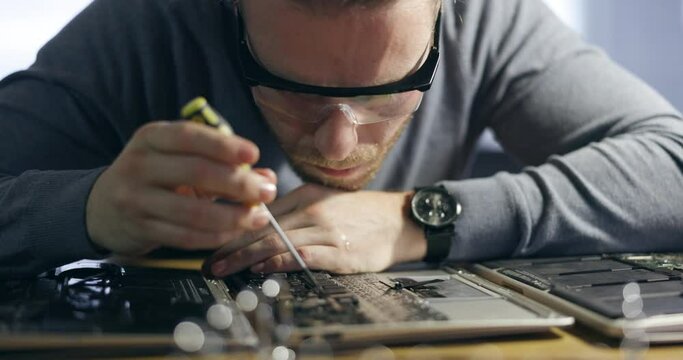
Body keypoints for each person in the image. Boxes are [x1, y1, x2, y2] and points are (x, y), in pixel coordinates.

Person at [1, 0, 681, 279]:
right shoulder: (144, 22)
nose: (334, 145)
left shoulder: (484, 18)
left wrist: (423, 217)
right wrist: (90, 208)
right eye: (290, 91)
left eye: (387, 93)